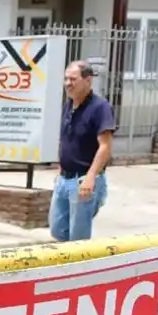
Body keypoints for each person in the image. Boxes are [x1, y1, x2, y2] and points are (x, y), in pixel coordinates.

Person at [54, 60, 115, 242]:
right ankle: (69, 257)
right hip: (65, 179)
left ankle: (79, 259)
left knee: (78, 237)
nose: (68, 83)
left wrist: (90, 177)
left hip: (83, 180)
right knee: (58, 229)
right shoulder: (69, 106)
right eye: (66, 79)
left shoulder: (100, 108)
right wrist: (61, 167)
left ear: (88, 81)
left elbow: (105, 146)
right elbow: (67, 139)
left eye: (73, 79)